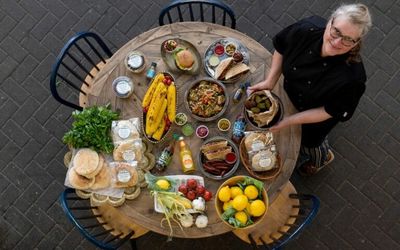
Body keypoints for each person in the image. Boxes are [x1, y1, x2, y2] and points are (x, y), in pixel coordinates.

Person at [249, 3, 372, 176]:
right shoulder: (306, 29)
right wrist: (270, 80)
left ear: (356, 42)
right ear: (329, 22)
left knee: (311, 145)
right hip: (289, 94)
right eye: (336, 31)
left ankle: (322, 159)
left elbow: (329, 110)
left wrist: (290, 120)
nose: (337, 42)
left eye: (348, 39)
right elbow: (281, 47)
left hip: (315, 122)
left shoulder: (353, 78)